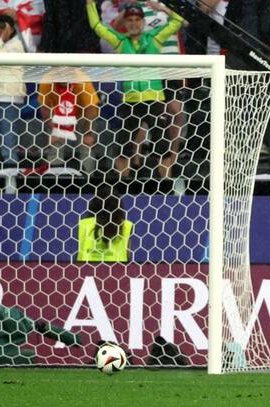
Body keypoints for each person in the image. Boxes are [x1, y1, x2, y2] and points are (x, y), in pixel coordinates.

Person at [86, 0, 185, 178]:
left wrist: (164, 8)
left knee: (162, 146)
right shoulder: (121, 42)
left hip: (154, 100)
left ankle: (166, 186)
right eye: (129, 19)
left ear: (143, 22)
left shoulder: (155, 38)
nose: (133, 23)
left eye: (137, 19)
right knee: (123, 147)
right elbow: (96, 25)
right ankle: (123, 186)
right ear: (124, 23)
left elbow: (177, 21)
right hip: (130, 101)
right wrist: (90, 4)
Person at [0, 13, 25, 167]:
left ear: (11, 29)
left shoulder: (16, 45)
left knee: (8, 133)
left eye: (2, 28)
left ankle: (10, 168)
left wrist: (2, 37)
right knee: (2, 132)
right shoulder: (1, 45)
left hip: (9, 96)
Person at [77, 187, 134, 262]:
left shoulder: (84, 223)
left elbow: (79, 250)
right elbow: (128, 254)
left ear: (95, 203)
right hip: (118, 268)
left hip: (87, 268)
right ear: (118, 204)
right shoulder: (127, 225)